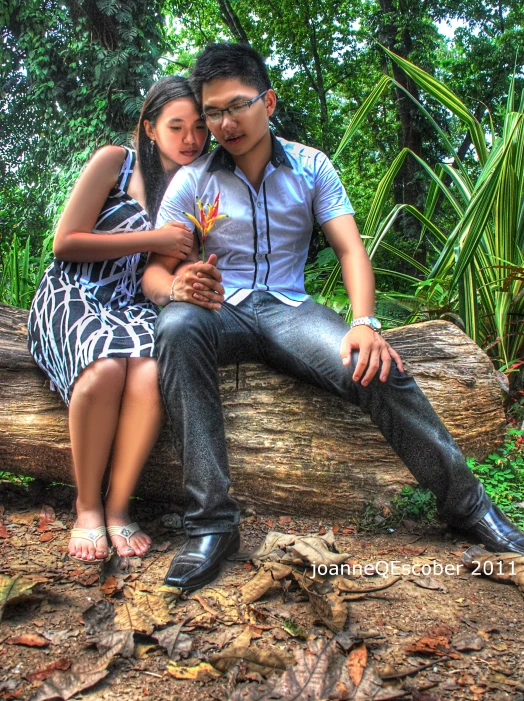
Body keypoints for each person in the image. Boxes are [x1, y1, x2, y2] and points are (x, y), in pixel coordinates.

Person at [142, 43, 524, 591]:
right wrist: (175, 286)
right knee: (175, 326)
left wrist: (365, 322)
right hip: (219, 311)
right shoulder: (193, 180)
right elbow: (155, 274)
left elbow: (350, 250)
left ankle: (470, 507)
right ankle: (212, 525)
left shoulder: (311, 165)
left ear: (268, 102)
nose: (224, 123)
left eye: (237, 106)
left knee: (375, 364)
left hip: (292, 312)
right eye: (213, 113)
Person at [27, 76, 209, 562]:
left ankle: (118, 507)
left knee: (150, 374)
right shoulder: (115, 161)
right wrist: (150, 240)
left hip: (135, 305)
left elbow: (177, 268)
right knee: (105, 366)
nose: (190, 139)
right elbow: (64, 242)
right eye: (176, 126)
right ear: (150, 128)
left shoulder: (197, 191)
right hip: (75, 291)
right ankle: (86, 507)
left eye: (198, 128)